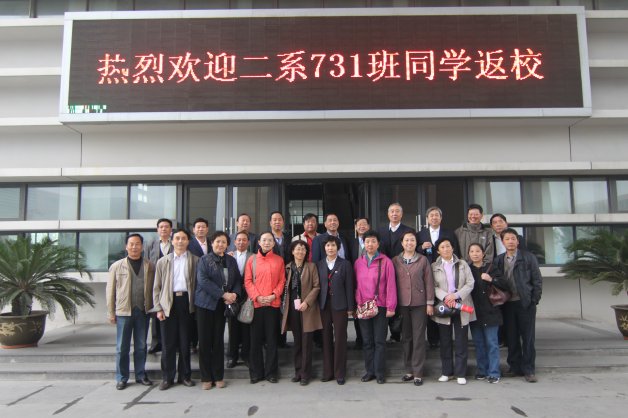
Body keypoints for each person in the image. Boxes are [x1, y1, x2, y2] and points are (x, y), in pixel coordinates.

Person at [106, 233, 155, 390]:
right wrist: (111, 312)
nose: (134, 247)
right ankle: (122, 377)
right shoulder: (116, 266)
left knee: (141, 346)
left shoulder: (149, 266)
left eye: (137, 244)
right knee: (122, 347)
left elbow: (154, 289)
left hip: (143, 311)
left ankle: (140, 375)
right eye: (131, 244)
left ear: (142, 246)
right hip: (123, 311)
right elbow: (110, 291)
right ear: (126, 246)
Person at [153, 229, 199, 390]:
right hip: (168, 304)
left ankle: (185, 376)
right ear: (172, 241)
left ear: (188, 241)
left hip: (187, 303)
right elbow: (156, 287)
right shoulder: (163, 261)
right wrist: (158, 308)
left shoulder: (195, 260)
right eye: (177, 238)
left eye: (183, 238)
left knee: (185, 342)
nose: (180, 241)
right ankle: (167, 378)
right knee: (168, 343)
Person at [195, 231, 241, 390]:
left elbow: (237, 280)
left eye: (223, 242)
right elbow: (203, 281)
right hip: (205, 305)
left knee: (218, 341)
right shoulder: (204, 260)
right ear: (212, 243)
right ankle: (206, 377)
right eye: (217, 241)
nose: (220, 244)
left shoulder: (231, 260)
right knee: (205, 341)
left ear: (227, 245)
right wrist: (223, 294)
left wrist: (234, 294)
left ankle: (218, 376)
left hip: (222, 306)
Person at [495, 228, 543, 383]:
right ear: (502, 242)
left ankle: (529, 369)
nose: (510, 241)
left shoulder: (528, 258)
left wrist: (534, 299)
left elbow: (537, 280)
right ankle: (515, 367)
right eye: (507, 239)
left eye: (513, 238)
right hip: (507, 304)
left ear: (517, 241)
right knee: (511, 337)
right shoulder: (499, 260)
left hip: (525, 303)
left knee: (528, 337)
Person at [354, 230, 397, 384]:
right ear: (363, 244)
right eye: (367, 242)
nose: (370, 244)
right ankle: (370, 371)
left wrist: (391, 306)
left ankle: (379, 372)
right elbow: (356, 285)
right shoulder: (358, 262)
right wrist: (357, 302)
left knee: (379, 341)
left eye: (373, 241)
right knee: (367, 341)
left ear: (378, 244)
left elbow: (391, 285)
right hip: (363, 306)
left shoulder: (386, 262)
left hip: (381, 305)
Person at [431, 237, 475, 385]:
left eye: (448, 246)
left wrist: (455, 296)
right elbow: (433, 286)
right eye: (442, 247)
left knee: (461, 341)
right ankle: (447, 372)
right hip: (445, 307)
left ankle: (460, 373)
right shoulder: (434, 266)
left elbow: (470, 283)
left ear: (453, 248)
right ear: (438, 251)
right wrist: (445, 297)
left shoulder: (462, 264)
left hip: (461, 306)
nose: (446, 249)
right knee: (445, 341)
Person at [392, 231, 434, 386]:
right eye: (406, 240)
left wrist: (429, 303)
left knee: (418, 338)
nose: (409, 243)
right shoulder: (395, 260)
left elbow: (429, 282)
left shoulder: (423, 260)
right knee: (406, 338)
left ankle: (418, 372)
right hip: (402, 304)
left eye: (412, 240)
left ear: (416, 243)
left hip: (420, 303)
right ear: (402, 243)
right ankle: (409, 370)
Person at [244, 231, 286, 384]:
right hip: (256, 304)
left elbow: (282, 281)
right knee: (255, 341)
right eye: (264, 240)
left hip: (272, 304)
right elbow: (248, 281)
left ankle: (271, 372)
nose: (267, 242)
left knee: (271, 340)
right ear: (259, 242)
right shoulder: (252, 260)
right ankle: (256, 373)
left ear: (274, 243)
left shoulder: (279, 260)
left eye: (270, 240)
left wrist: (274, 295)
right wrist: (257, 297)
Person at [281, 240, 322, 386]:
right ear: (292, 251)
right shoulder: (287, 267)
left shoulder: (311, 267)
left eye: (303, 249)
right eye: (298, 249)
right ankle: (297, 372)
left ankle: (306, 374)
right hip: (292, 307)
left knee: (306, 341)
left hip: (308, 308)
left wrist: (307, 302)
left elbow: (317, 286)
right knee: (297, 341)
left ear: (306, 252)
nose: (300, 252)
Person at [417, 206, 459, 348]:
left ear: (441, 218)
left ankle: (446, 338)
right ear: (427, 219)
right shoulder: (420, 234)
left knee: (446, 303)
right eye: (431, 215)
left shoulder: (449, 233)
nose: (434, 217)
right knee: (431, 304)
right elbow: (414, 250)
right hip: (426, 272)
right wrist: (421, 247)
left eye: (437, 215)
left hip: (446, 273)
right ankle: (433, 339)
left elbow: (456, 251)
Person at [316, 235, 354, 385]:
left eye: (333, 245)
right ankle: (328, 372)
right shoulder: (319, 264)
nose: (330, 248)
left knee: (340, 338)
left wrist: (350, 307)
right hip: (324, 306)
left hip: (340, 305)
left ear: (338, 248)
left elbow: (349, 287)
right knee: (325, 338)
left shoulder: (345, 264)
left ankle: (340, 373)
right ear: (324, 248)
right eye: (328, 245)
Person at [467, 243, 506, 384]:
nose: (475, 254)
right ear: (469, 254)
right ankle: (482, 370)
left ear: (483, 253)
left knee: (492, 343)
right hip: (474, 312)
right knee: (479, 344)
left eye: (478, 251)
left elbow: (504, 284)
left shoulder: (491, 267)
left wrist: (491, 279)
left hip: (491, 311)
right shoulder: (467, 269)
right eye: (472, 251)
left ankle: (494, 372)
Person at [145, 218, 173, 354]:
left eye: (166, 227)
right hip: (155, 282)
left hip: (171, 282)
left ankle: (171, 342)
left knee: (171, 311)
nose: (164, 229)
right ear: (157, 230)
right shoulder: (151, 244)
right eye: (161, 227)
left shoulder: (175, 243)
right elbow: (146, 262)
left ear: (171, 230)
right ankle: (156, 343)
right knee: (156, 311)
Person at [226, 231, 253, 369]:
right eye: (239, 240)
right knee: (233, 327)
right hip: (232, 295)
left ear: (248, 242)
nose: (241, 242)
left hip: (248, 294)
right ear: (234, 242)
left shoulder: (253, 257)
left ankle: (246, 355)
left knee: (247, 325)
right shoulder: (229, 256)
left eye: (244, 240)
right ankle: (232, 356)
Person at [187, 217, 209, 353]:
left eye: (203, 227)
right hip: (193, 282)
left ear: (207, 229)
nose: (201, 229)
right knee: (193, 316)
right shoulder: (188, 244)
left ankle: (205, 342)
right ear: (194, 230)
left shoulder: (212, 243)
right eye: (198, 227)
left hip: (210, 284)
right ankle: (193, 342)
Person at [348, 217, 371, 349]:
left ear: (369, 226)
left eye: (364, 224)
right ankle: (360, 338)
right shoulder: (351, 242)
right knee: (358, 309)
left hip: (372, 282)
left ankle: (370, 338)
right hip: (356, 281)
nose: (362, 226)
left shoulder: (375, 242)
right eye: (359, 224)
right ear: (356, 228)